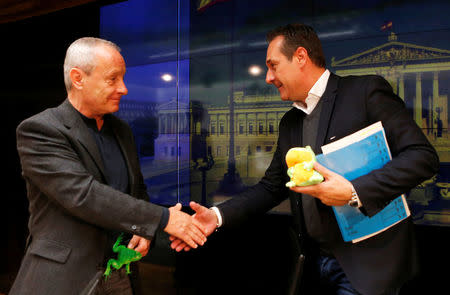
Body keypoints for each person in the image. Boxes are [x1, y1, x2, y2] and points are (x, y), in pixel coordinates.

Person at [170, 24, 439, 295]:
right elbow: (272, 186)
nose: (268, 77)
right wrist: (216, 216)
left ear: (300, 57)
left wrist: (354, 191)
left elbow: (422, 157)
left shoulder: (365, 92)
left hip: (367, 264)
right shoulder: (290, 121)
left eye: (273, 66)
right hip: (312, 263)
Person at [9, 37, 207, 295]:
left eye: (123, 79)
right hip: (63, 278)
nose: (123, 88)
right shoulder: (41, 130)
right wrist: (163, 219)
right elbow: (84, 195)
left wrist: (143, 233)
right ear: (78, 78)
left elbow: (137, 191)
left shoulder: (121, 130)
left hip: (119, 276)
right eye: (113, 79)